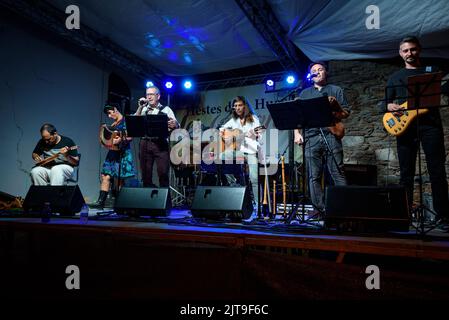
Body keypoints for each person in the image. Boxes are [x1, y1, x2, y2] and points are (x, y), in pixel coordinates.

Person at [385, 36, 449, 225]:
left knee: (437, 170)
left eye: (412, 49)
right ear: (400, 53)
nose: (409, 53)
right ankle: (403, 216)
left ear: (419, 50)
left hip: (431, 125)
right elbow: (385, 103)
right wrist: (390, 106)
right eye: (405, 50)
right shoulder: (395, 77)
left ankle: (443, 216)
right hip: (405, 127)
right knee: (406, 172)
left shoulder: (433, 71)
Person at [294, 62, 351, 215]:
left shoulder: (335, 90)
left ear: (326, 72)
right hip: (311, 138)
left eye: (320, 69)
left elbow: (346, 113)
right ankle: (318, 209)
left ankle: (343, 210)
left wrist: (336, 105)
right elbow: (298, 117)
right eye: (314, 70)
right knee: (313, 176)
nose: (317, 72)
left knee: (337, 173)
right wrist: (297, 133)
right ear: (310, 76)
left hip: (330, 135)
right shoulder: (305, 93)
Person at [220, 96, 263, 214]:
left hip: (250, 151)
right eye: (235, 106)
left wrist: (254, 135)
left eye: (240, 105)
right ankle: (234, 183)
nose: (237, 108)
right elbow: (222, 129)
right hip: (238, 151)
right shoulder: (233, 120)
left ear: (245, 106)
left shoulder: (253, 119)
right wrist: (224, 134)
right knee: (222, 157)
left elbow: (259, 134)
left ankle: (258, 205)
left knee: (254, 178)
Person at [90, 105, 136, 209]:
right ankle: (101, 202)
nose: (110, 116)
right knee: (105, 176)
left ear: (115, 109)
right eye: (108, 114)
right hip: (112, 152)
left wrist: (121, 140)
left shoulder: (126, 120)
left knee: (120, 179)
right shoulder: (114, 123)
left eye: (111, 113)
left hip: (123, 152)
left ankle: (119, 203)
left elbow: (130, 136)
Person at [135, 85, 179, 187]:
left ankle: (164, 199)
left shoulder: (166, 109)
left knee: (163, 172)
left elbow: (176, 124)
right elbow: (134, 122)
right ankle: (148, 199)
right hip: (144, 143)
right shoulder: (143, 109)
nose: (149, 97)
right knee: (145, 174)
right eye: (147, 95)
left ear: (158, 96)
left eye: (151, 94)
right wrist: (140, 106)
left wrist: (174, 124)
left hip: (160, 143)